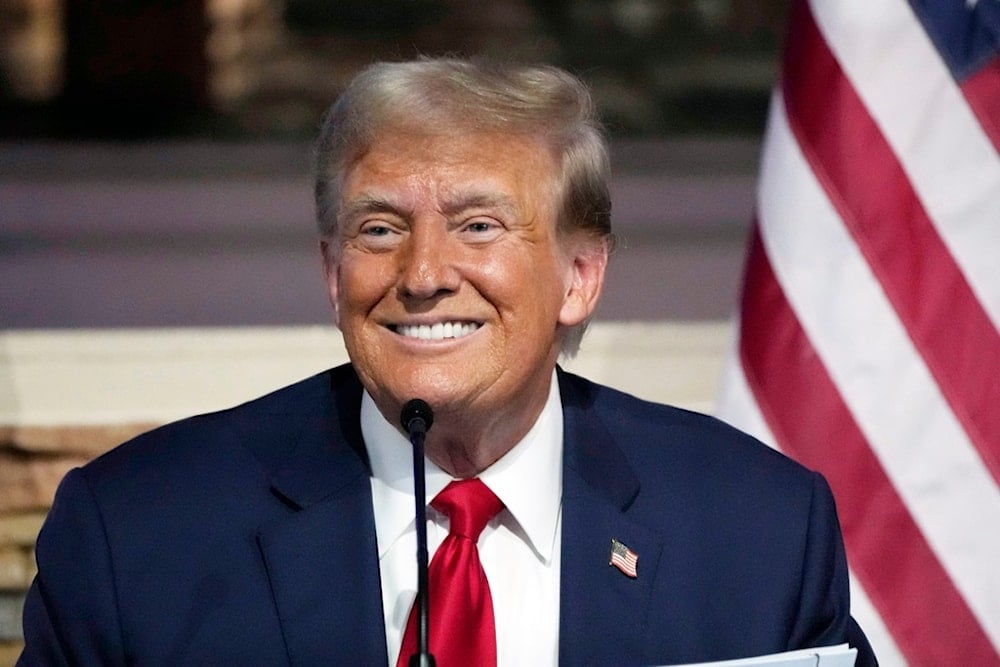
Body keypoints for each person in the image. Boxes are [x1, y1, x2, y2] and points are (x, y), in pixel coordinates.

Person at [19, 58, 876, 666]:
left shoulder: (756, 531)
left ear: (580, 276)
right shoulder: (136, 534)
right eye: (380, 229)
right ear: (331, 271)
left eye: (477, 225)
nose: (423, 276)